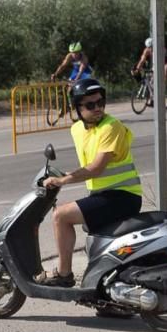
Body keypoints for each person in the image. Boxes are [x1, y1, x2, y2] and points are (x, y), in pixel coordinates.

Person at [38, 78, 143, 287]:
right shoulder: (77, 129)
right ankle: (109, 297)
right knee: (96, 245)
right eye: (90, 105)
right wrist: (62, 175)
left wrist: (63, 180)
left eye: (101, 103)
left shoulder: (111, 127)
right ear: (77, 107)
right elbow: (87, 166)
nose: (98, 108)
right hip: (103, 195)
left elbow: (96, 168)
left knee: (60, 216)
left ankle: (64, 274)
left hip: (123, 196)